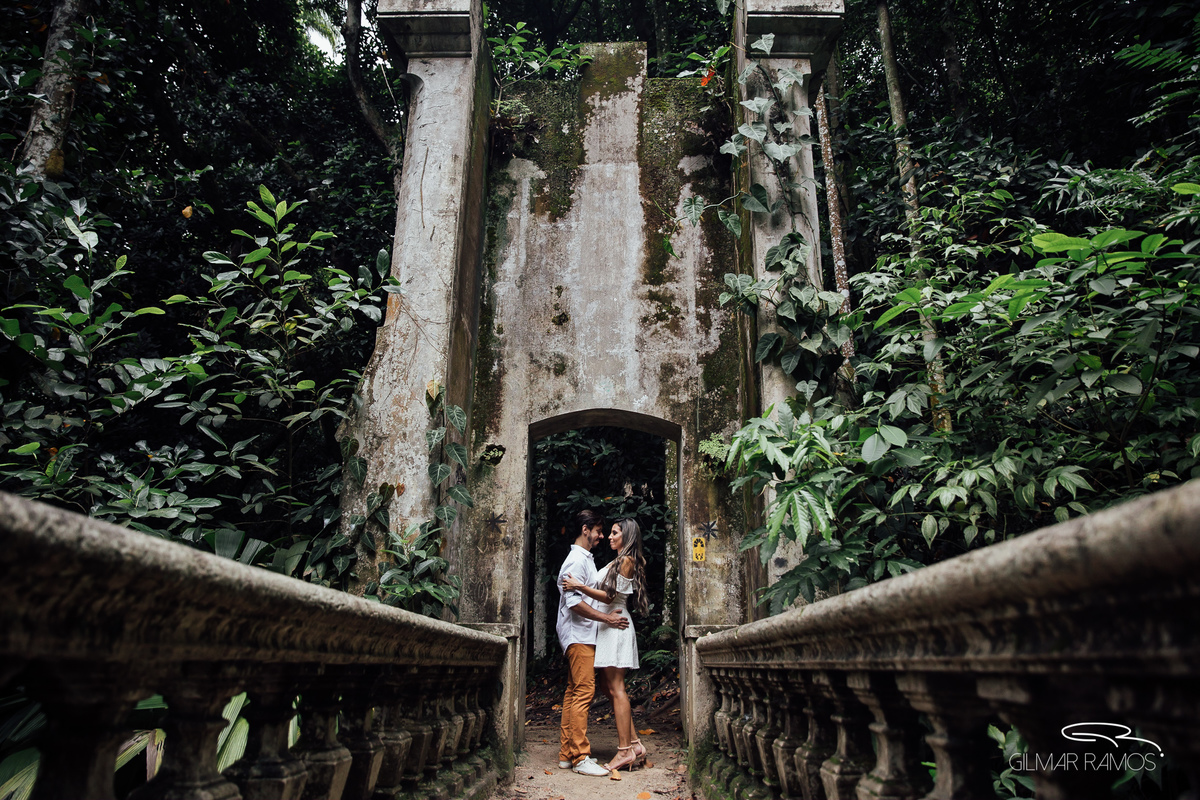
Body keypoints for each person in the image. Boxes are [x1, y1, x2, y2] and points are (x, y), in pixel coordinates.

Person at [562, 518, 649, 774]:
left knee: (616, 687)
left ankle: (624, 750)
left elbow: (609, 597)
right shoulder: (618, 560)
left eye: (614, 533)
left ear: (627, 536)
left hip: (615, 625)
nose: (609, 537)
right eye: (608, 533)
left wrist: (579, 586)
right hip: (608, 626)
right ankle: (635, 744)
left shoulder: (626, 561)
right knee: (608, 687)